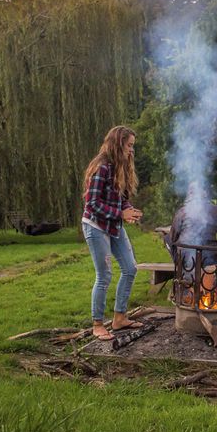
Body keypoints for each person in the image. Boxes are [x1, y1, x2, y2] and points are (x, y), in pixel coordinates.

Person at [81, 125, 144, 342]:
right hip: (96, 226)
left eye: (132, 146)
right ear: (118, 144)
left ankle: (119, 317)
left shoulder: (122, 167)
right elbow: (92, 204)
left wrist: (129, 210)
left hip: (114, 225)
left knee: (130, 268)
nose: (131, 150)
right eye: (128, 145)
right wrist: (121, 214)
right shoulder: (103, 168)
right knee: (105, 275)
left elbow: (121, 197)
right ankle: (97, 324)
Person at [165, 184, 217, 269]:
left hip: (186, 258)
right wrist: (216, 224)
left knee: (167, 238)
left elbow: (173, 237)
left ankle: (180, 269)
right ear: (204, 194)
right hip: (210, 257)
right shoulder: (215, 209)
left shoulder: (182, 212)